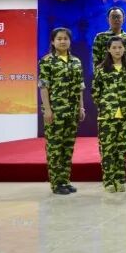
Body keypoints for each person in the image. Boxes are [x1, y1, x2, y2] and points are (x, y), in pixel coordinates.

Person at [38, 27, 86, 195]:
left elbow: (80, 86)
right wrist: (47, 110)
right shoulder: (47, 61)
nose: (62, 41)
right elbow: (43, 87)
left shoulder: (76, 61)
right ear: (53, 41)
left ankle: (65, 180)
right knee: (55, 149)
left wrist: (81, 107)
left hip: (72, 112)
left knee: (68, 147)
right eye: (59, 39)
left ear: (70, 41)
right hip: (56, 112)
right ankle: (56, 183)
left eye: (65, 38)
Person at [91, 36, 126, 193]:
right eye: (114, 47)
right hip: (107, 116)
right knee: (108, 149)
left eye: (120, 47)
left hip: (125, 115)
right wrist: (106, 105)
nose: (117, 50)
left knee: (122, 149)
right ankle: (108, 181)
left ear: (124, 49)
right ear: (108, 49)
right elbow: (95, 92)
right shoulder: (101, 69)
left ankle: (119, 179)